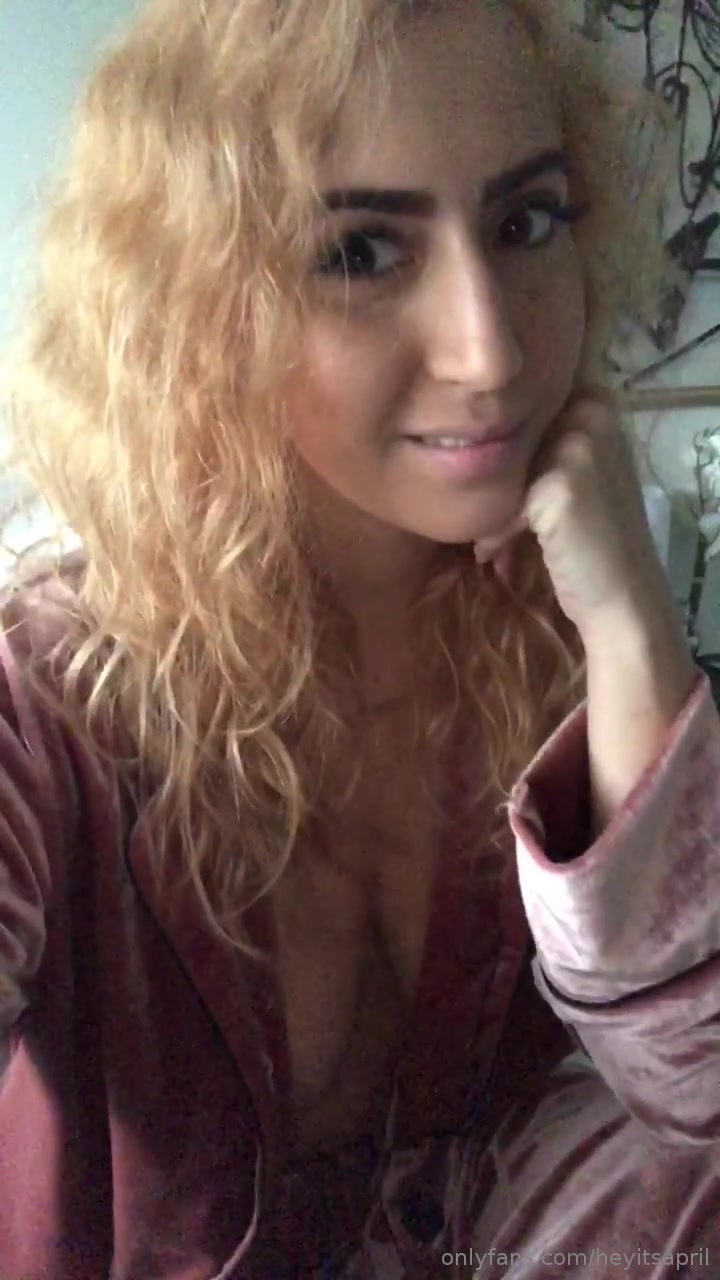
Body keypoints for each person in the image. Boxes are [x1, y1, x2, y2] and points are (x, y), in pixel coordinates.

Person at [0, 0, 718, 1276]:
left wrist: (629, 631)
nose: (491, 351)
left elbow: (699, 1099)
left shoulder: (564, 641)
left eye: (526, 222)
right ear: (199, 300)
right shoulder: (56, 694)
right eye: (359, 251)